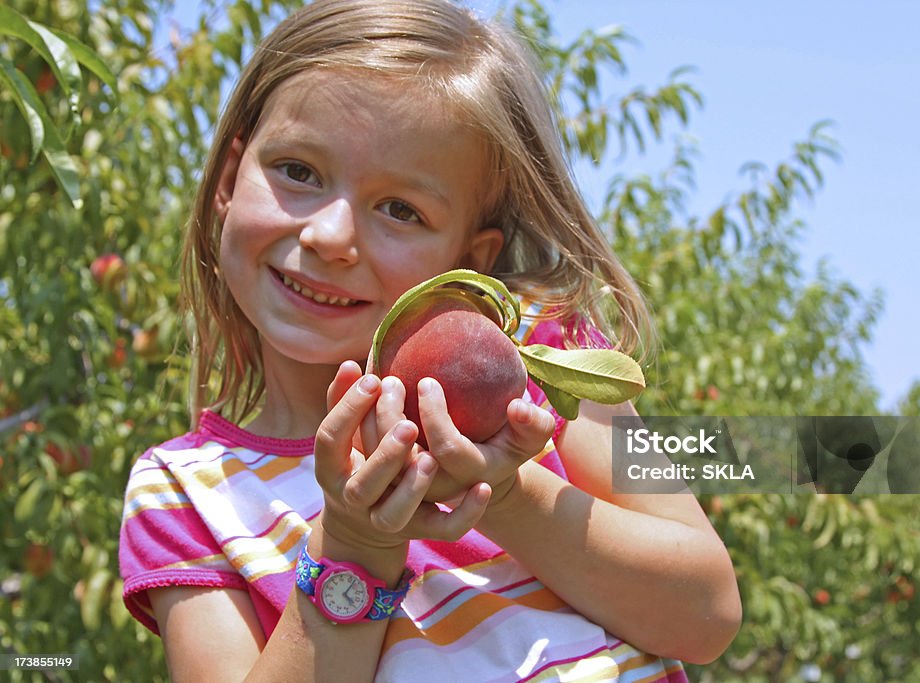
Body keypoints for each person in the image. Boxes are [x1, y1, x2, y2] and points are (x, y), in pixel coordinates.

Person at [118, 1, 742, 680]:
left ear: (468, 258)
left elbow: (706, 611)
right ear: (231, 177)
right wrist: (354, 546)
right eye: (297, 170)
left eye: (400, 210)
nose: (329, 236)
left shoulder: (540, 359)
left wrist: (503, 494)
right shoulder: (185, 492)